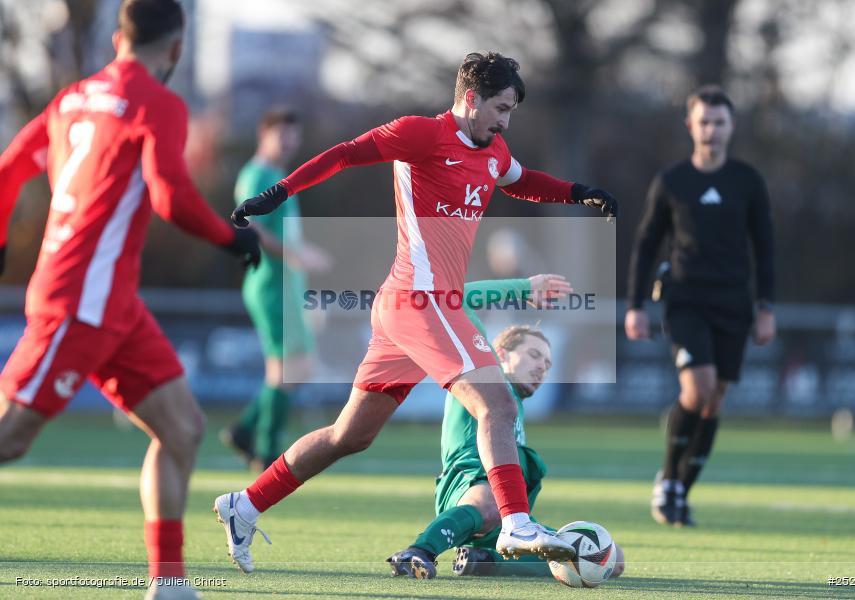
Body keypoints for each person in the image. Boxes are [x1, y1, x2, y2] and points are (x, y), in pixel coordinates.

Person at [214, 51, 618, 574]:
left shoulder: (494, 149)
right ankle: (516, 522)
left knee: (348, 436)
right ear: (470, 99)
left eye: (511, 111)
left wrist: (577, 194)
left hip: (410, 307)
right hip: (421, 299)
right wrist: (279, 192)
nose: (505, 121)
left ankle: (243, 505)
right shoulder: (421, 135)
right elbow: (345, 154)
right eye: (499, 108)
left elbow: (519, 179)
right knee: (496, 404)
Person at [0, 1, 259, 598]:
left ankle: (167, 582)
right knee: (10, 437)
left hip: (111, 304)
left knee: (182, 427)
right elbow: (170, 196)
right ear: (176, 47)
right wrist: (230, 236)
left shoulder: (72, 97)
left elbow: (11, 168)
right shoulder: (159, 102)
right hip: (79, 302)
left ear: (119, 37)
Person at [386, 275, 626, 580]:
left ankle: (482, 561)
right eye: (534, 355)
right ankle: (418, 552)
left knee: (611, 560)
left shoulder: (515, 406)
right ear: (500, 355)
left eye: (548, 365)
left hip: (510, 511)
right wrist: (524, 288)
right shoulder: (482, 374)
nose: (542, 367)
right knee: (487, 500)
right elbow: (461, 298)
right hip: (467, 487)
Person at [624, 85, 776, 527]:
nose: (711, 130)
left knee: (714, 400)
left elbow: (765, 248)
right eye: (704, 121)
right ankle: (668, 480)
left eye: (720, 122)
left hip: (734, 303)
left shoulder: (747, 181)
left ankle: (680, 493)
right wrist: (634, 305)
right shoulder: (673, 180)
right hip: (685, 300)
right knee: (697, 388)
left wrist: (766, 306)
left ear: (732, 126)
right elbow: (646, 244)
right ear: (690, 125)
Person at [220, 108, 331, 471]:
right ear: (262, 134)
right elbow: (251, 230)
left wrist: (303, 255)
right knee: (287, 367)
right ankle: (265, 451)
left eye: (292, 134)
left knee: (298, 366)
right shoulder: (258, 175)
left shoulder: (278, 176)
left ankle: (248, 432)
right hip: (270, 284)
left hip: (283, 284)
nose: (288, 141)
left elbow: (283, 233)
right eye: (280, 134)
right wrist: (298, 256)